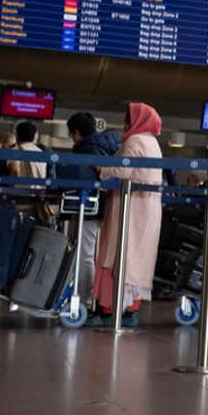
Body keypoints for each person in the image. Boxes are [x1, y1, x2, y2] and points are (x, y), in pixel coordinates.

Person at [89, 103, 164, 327]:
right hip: (147, 207)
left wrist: (100, 170)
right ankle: (130, 309)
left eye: (128, 119)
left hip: (130, 206)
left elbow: (122, 171)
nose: (125, 123)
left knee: (119, 253)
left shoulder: (134, 141)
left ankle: (110, 309)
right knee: (137, 257)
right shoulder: (152, 141)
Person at [57, 112, 122, 310]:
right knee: (92, 254)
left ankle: (83, 300)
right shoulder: (104, 144)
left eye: (71, 134)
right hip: (103, 206)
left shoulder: (89, 148)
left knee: (85, 253)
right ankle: (90, 299)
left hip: (92, 207)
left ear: (76, 133)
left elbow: (101, 177)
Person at [8, 121, 57, 225]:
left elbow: (15, 170)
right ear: (35, 136)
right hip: (37, 203)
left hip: (19, 202)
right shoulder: (41, 153)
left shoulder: (15, 150)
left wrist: (11, 187)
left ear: (17, 135)